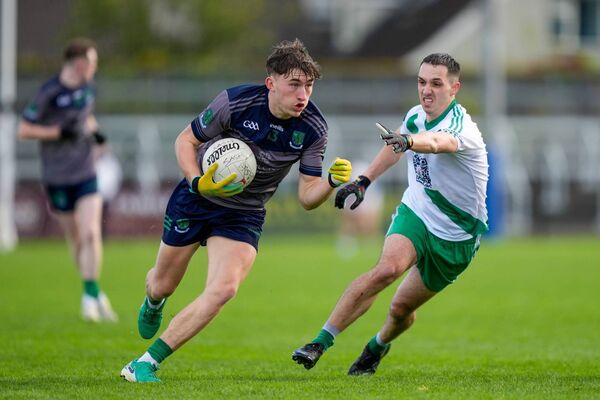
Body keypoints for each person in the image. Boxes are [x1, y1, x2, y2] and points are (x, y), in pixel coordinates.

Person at [120, 38, 352, 383]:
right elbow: (185, 140)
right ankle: (153, 301)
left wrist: (331, 182)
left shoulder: (313, 128)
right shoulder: (236, 102)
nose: (303, 94)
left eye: (309, 85)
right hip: (196, 199)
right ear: (271, 83)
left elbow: (307, 196)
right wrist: (198, 181)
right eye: (294, 85)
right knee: (162, 284)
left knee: (224, 289)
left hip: (243, 213)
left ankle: (145, 363)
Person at [292, 53, 488, 375]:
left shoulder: (461, 127)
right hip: (418, 211)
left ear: (454, 89)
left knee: (400, 310)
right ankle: (320, 341)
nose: (427, 90)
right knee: (387, 269)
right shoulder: (416, 116)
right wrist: (364, 181)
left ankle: (377, 346)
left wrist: (409, 141)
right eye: (422, 82)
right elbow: (397, 144)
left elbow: (438, 142)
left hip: (457, 237)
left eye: (436, 84)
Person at [17, 38, 117, 323]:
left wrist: (95, 134)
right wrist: (58, 133)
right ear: (81, 64)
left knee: (90, 233)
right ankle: (94, 291)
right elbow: (24, 129)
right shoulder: (49, 93)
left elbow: (85, 117)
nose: (95, 68)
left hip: (86, 172)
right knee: (75, 239)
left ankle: (89, 297)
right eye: (94, 63)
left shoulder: (88, 89)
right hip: (57, 177)